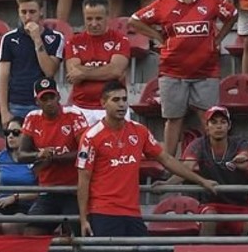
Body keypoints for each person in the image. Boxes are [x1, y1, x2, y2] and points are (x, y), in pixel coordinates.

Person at [76, 81, 216, 237]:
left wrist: (201, 181)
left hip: (133, 213)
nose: (122, 104)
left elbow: (167, 160)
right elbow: (83, 180)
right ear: (103, 103)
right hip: (103, 212)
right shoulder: (91, 137)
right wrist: (83, 219)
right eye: (115, 100)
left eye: (124, 99)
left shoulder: (139, 131)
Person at [131, 0, 236, 156]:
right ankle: (170, 164)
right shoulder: (164, 4)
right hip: (172, 72)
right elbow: (134, 21)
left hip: (206, 72)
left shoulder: (211, 1)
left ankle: (212, 161)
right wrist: (156, 36)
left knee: (210, 119)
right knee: (173, 119)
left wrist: (219, 38)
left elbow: (232, 15)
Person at [170, 106, 248, 236]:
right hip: (211, 203)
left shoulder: (239, 142)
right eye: (214, 122)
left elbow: (244, 162)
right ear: (206, 126)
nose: (219, 126)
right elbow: (186, 168)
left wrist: (240, 160)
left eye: (223, 122)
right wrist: (167, 183)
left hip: (239, 204)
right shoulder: (198, 144)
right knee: (209, 218)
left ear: (229, 125)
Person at [19, 77, 87, 235]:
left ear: (58, 97)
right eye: (44, 98)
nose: (49, 102)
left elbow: (85, 151)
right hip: (48, 190)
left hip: (74, 190)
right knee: (31, 233)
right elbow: (21, 155)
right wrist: (39, 154)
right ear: (37, 101)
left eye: (52, 97)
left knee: (77, 231)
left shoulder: (73, 114)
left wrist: (52, 158)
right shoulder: (32, 117)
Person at [0, 0, 65, 125]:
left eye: (32, 12)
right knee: (17, 145)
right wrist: (4, 111)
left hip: (45, 103)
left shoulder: (55, 37)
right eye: (23, 12)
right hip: (17, 103)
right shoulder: (9, 38)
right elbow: (3, 75)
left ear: (41, 11)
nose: (28, 17)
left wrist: (37, 39)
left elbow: (49, 71)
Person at [64, 0, 128, 125]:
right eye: (89, 19)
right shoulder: (74, 41)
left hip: (112, 107)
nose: (93, 23)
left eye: (98, 18)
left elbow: (115, 70)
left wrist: (84, 72)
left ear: (107, 17)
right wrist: (105, 70)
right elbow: (73, 73)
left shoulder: (120, 40)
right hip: (80, 107)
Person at [0, 118, 37, 235]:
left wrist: (15, 197)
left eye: (16, 133)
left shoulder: (34, 158)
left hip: (27, 206)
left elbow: (42, 190)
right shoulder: (1, 157)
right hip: (2, 205)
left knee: (11, 224)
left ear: (26, 135)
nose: (10, 136)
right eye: (7, 133)